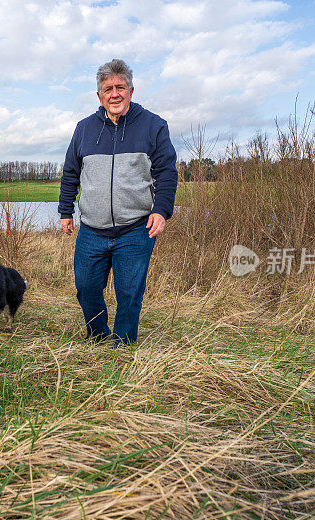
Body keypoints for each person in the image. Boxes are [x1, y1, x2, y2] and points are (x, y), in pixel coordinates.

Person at [58, 58, 178, 346]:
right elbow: (71, 171)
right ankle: (98, 337)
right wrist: (65, 210)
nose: (115, 94)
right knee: (86, 288)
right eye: (108, 88)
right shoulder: (84, 128)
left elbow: (166, 172)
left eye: (120, 87)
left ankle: (122, 344)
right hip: (91, 230)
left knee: (129, 292)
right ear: (99, 96)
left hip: (135, 229)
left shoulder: (153, 126)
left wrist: (161, 210)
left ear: (131, 91)